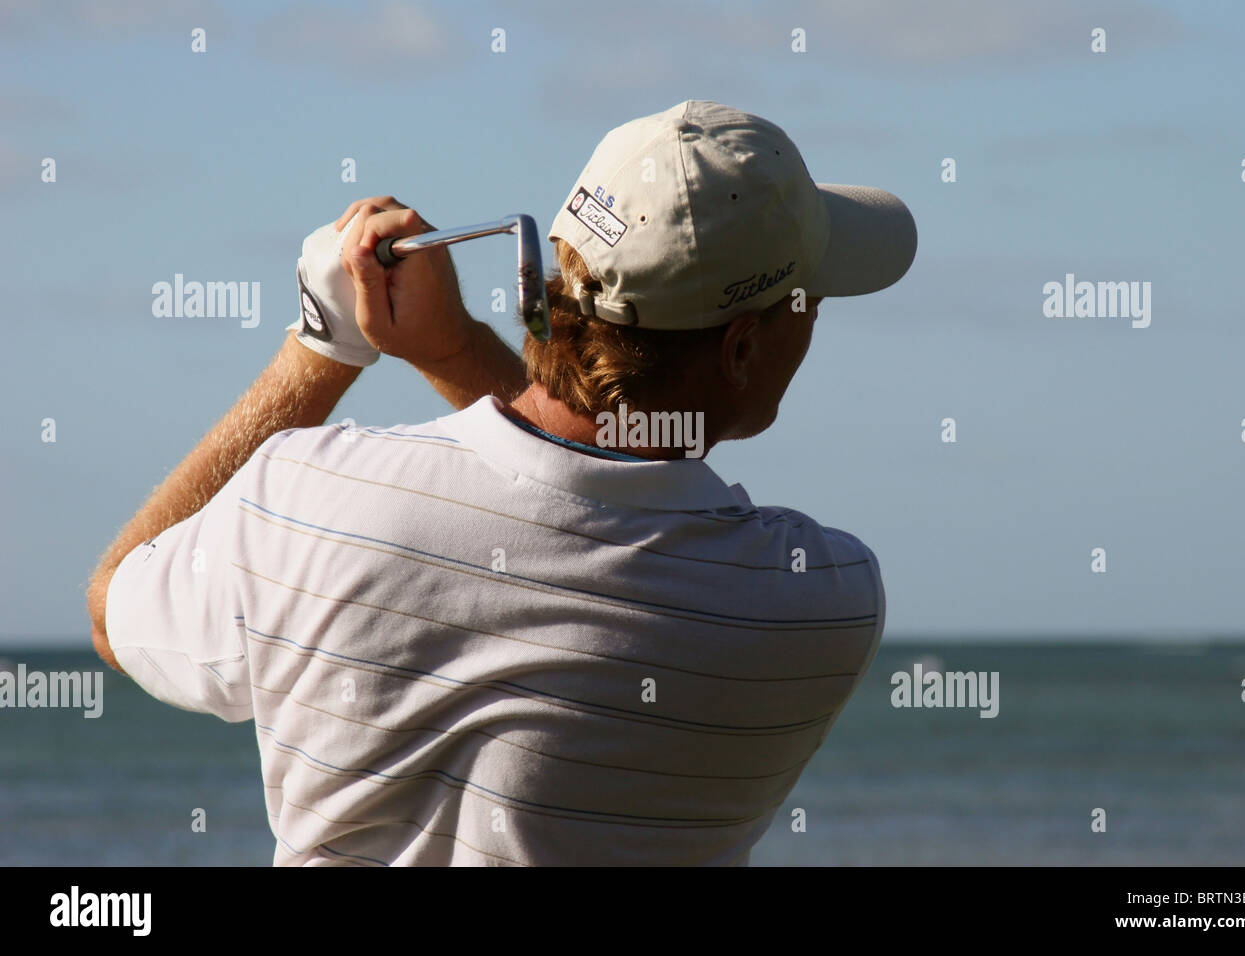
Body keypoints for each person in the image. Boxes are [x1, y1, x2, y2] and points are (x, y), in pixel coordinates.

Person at [87, 100, 916, 866]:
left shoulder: (309, 499)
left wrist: (321, 348)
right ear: (739, 350)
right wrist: (450, 355)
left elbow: (115, 602)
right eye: (810, 304)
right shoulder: (818, 601)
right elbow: (586, 482)